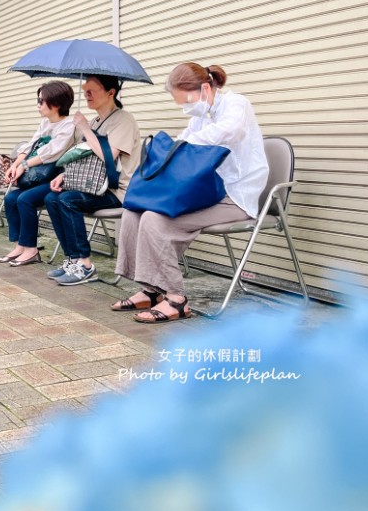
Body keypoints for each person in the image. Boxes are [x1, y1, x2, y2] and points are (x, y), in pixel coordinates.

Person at [113, 63, 268, 323]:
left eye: (185, 101)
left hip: (234, 197)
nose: (185, 108)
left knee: (155, 219)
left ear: (205, 88)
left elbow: (230, 131)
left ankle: (176, 299)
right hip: (208, 192)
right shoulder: (201, 116)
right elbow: (180, 143)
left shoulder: (236, 104)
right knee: (134, 212)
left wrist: (185, 143)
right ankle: (152, 291)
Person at [45, 75, 141, 285]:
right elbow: (83, 158)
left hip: (117, 190)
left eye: (92, 91)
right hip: (94, 186)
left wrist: (86, 129)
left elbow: (108, 157)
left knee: (68, 199)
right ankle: (73, 259)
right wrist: (64, 175)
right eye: (84, 90)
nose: (86, 95)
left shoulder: (123, 120)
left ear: (111, 92)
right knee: (52, 198)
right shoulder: (96, 120)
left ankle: (86, 265)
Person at [0, 81, 76, 267]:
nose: (38, 105)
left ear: (56, 103)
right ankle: (20, 246)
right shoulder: (45, 123)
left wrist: (23, 165)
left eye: (41, 101)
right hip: (37, 176)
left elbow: (50, 152)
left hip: (56, 178)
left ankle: (31, 249)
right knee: (10, 198)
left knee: (24, 199)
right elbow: (30, 147)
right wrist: (14, 165)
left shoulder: (69, 126)